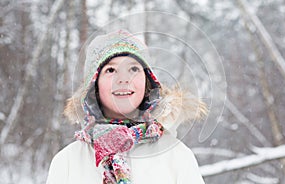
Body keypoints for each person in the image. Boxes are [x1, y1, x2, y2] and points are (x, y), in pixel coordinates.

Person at [46, 30, 207, 184]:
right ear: (94, 85)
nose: (123, 79)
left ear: (147, 82)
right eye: (111, 70)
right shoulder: (67, 162)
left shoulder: (177, 156)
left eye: (133, 69)